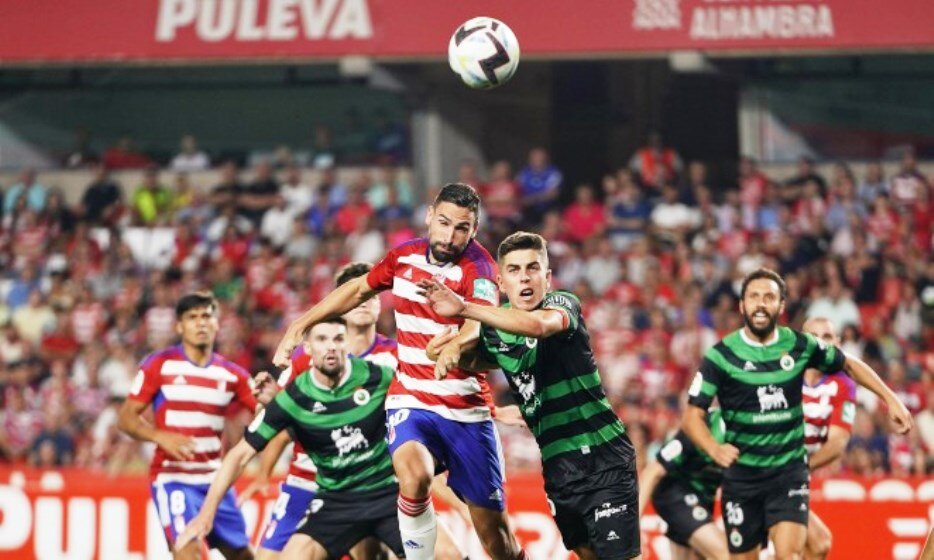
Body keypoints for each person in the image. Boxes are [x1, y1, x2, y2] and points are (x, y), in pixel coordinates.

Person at [273, 183, 526, 560]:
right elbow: (358, 289)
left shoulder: (481, 267)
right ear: (429, 216)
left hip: (465, 412)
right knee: (413, 475)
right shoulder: (403, 257)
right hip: (411, 399)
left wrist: (457, 344)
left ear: (473, 230)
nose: (450, 235)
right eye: (443, 223)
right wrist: (300, 324)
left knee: (497, 540)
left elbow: (478, 323)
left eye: (462, 228)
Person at [421, 231, 641, 560]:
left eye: (532, 268)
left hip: (603, 460)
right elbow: (465, 355)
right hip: (558, 470)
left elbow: (537, 327)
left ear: (547, 277)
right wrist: (445, 348)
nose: (524, 277)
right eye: (514, 270)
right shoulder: (497, 331)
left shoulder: (562, 305)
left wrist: (467, 308)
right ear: (501, 281)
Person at [681, 268, 912, 560]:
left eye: (769, 297)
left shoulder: (799, 345)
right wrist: (714, 449)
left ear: (781, 306)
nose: (761, 304)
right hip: (742, 478)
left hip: (788, 474)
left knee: (792, 554)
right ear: (742, 305)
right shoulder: (720, 356)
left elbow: (848, 363)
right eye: (754, 297)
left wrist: (890, 399)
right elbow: (692, 416)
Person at [242, 263, 464, 560]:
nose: (364, 303)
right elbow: (281, 422)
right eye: (359, 296)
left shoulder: (396, 358)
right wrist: (264, 472)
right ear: (342, 302)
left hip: (367, 481)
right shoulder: (308, 358)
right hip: (306, 481)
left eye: (373, 297)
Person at [176, 318, 404, 559]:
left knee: (443, 553)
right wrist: (206, 513)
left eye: (337, 339)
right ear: (307, 348)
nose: (331, 347)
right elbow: (244, 450)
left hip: (386, 492)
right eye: (322, 339)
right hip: (330, 495)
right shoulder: (294, 396)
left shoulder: (381, 376)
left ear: (346, 343)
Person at [117, 292, 257, 560]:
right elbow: (126, 418)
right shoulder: (160, 364)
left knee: (243, 556)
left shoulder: (232, 375)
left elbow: (268, 413)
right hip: (174, 478)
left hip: (216, 481)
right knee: (188, 553)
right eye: (192, 318)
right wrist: (159, 436)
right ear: (179, 326)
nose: (201, 323)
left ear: (217, 324)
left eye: (206, 316)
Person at [800, 317, 857, 560]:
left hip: (791, 475)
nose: (820, 343)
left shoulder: (843, 384)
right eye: (813, 336)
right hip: (769, 470)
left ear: (837, 343)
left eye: (826, 337)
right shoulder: (785, 374)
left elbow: (838, 442)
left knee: (812, 546)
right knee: (815, 544)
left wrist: (802, 468)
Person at [638, 409, 728, 560]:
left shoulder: (760, 433)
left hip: (705, 500)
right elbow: (652, 471)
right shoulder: (704, 423)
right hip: (675, 493)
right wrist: (631, 526)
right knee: (726, 555)